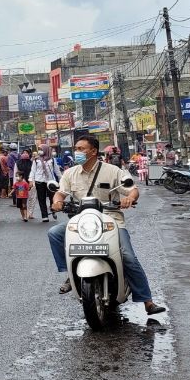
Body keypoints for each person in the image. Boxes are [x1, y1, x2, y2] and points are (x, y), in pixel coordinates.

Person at [48, 135, 165, 316]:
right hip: (83, 221)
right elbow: (60, 193)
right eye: (76, 149)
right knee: (54, 232)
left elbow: (132, 189)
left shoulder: (112, 171)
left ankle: (147, 301)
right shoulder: (70, 173)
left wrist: (129, 198)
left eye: (81, 149)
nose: (77, 152)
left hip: (111, 220)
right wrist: (57, 201)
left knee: (128, 257)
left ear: (93, 151)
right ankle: (69, 275)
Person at [29, 148, 61, 223]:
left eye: (41, 149)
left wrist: (61, 180)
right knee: (41, 199)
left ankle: (53, 210)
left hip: (50, 181)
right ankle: (45, 216)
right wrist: (31, 180)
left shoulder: (52, 160)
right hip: (39, 181)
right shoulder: (36, 160)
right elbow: (33, 171)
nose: (40, 151)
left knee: (52, 198)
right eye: (39, 149)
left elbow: (57, 170)